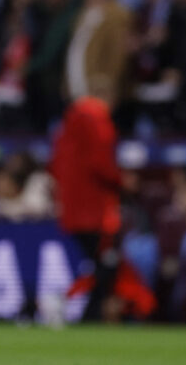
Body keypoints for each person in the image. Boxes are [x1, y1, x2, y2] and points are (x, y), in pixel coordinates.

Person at [50, 96, 122, 321]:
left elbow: (55, 166)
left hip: (71, 212)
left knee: (96, 264)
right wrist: (122, 181)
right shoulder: (97, 121)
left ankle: (84, 311)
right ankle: (72, 306)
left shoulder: (66, 128)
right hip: (96, 213)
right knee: (105, 263)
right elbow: (102, 163)